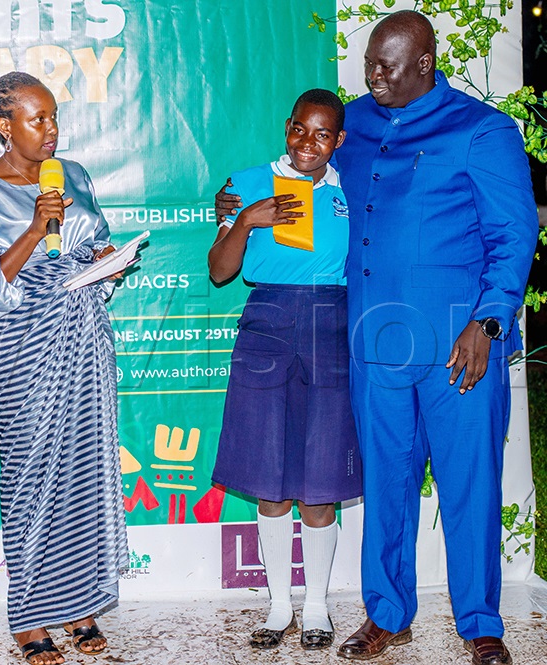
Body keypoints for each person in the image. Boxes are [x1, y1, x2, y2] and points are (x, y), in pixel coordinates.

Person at [217, 11, 537, 665]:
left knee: (468, 483)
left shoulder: (483, 130)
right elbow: (297, 167)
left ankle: (480, 624)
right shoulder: (355, 124)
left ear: (425, 64)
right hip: (372, 347)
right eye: (367, 66)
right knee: (386, 483)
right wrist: (235, 205)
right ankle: (386, 613)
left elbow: (514, 234)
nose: (372, 79)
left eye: (385, 68)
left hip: (458, 347)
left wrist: (490, 321)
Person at [0, 72, 128, 665]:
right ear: (5, 127)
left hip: (80, 336)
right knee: (30, 478)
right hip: (19, 347)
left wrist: (106, 260)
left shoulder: (73, 175)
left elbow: (91, 240)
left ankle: (78, 604)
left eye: (54, 117)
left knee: (80, 472)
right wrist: (34, 227)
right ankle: (29, 618)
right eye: (37, 120)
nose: (51, 131)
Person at [208, 88, 361, 652]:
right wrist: (246, 220)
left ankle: (317, 606)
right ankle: (277, 607)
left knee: (320, 481)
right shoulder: (247, 183)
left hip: (332, 324)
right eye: (300, 129)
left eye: (323, 134)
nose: (308, 143)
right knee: (269, 475)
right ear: (287, 126)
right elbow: (220, 271)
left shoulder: (353, 185)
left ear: (338, 141)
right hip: (267, 319)